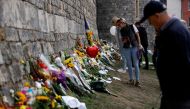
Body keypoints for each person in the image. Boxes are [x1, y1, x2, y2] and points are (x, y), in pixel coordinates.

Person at [140, 0, 190, 109]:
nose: (149, 23)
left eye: (149, 19)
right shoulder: (169, 30)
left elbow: (185, 65)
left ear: (156, 16)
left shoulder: (175, 32)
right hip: (170, 94)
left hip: (178, 96)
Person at [116, 17, 143, 87]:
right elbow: (122, 39)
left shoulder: (132, 26)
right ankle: (131, 80)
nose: (119, 26)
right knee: (129, 64)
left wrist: (139, 44)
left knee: (136, 64)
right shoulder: (121, 30)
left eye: (119, 24)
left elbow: (137, 35)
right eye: (118, 25)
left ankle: (137, 80)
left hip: (134, 47)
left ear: (123, 22)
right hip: (126, 48)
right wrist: (123, 40)